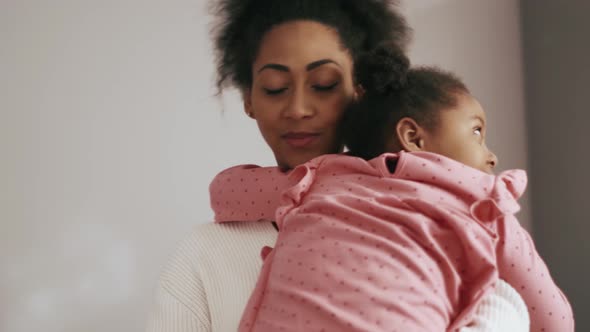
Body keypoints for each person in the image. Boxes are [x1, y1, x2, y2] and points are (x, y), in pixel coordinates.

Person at [146, 1, 530, 331]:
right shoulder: (203, 255)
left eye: (324, 84)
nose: (298, 108)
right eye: (276, 88)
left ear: (360, 90)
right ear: (249, 99)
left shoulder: (439, 220)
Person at [209, 45, 573, 331]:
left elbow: (225, 193)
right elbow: (554, 322)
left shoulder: (322, 178)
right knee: (503, 299)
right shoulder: (483, 203)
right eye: (477, 131)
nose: (490, 155)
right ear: (412, 136)